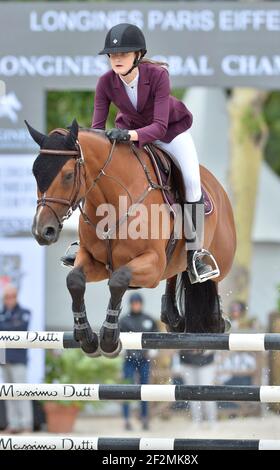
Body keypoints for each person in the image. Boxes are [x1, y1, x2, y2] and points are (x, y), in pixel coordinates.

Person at [62, 22, 213, 283]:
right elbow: (97, 128)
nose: (117, 59)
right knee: (96, 174)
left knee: (191, 183)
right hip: (129, 133)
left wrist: (129, 135)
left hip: (170, 134)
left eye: (123, 54)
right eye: (113, 55)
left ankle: (196, 253)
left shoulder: (157, 76)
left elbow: (160, 125)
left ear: (138, 56)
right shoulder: (106, 82)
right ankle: (83, 243)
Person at [120, 293, 157, 431]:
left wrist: (154, 349)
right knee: (126, 388)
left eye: (138, 302)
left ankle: (145, 418)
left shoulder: (148, 319)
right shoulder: (124, 320)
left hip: (144, 359)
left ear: (141, 303)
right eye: (134, 303)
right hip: (128, 359)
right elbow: (117, 336)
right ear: (131, 304)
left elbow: (155, 335)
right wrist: (122, 349)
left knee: (144, 389)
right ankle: (126, 419)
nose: (136, 305)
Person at [0, 285, 32, 433]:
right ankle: (13, 424)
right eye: (6, 297)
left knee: (22, 392)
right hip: (3, 358)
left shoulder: (25, 312)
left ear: (16, 296)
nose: (9, 299)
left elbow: (19, 328)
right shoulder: (2, 313)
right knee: (8, 393)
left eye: (12, 296)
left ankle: (26, 424)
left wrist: (6, 326)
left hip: (18, 359)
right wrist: (9, 325)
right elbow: (9, 328)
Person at [180, 349, 217, 427]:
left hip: (206, 361)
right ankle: (196, 420)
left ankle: (212, 421)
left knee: (207, 392)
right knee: (191, 393)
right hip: (187, 361)